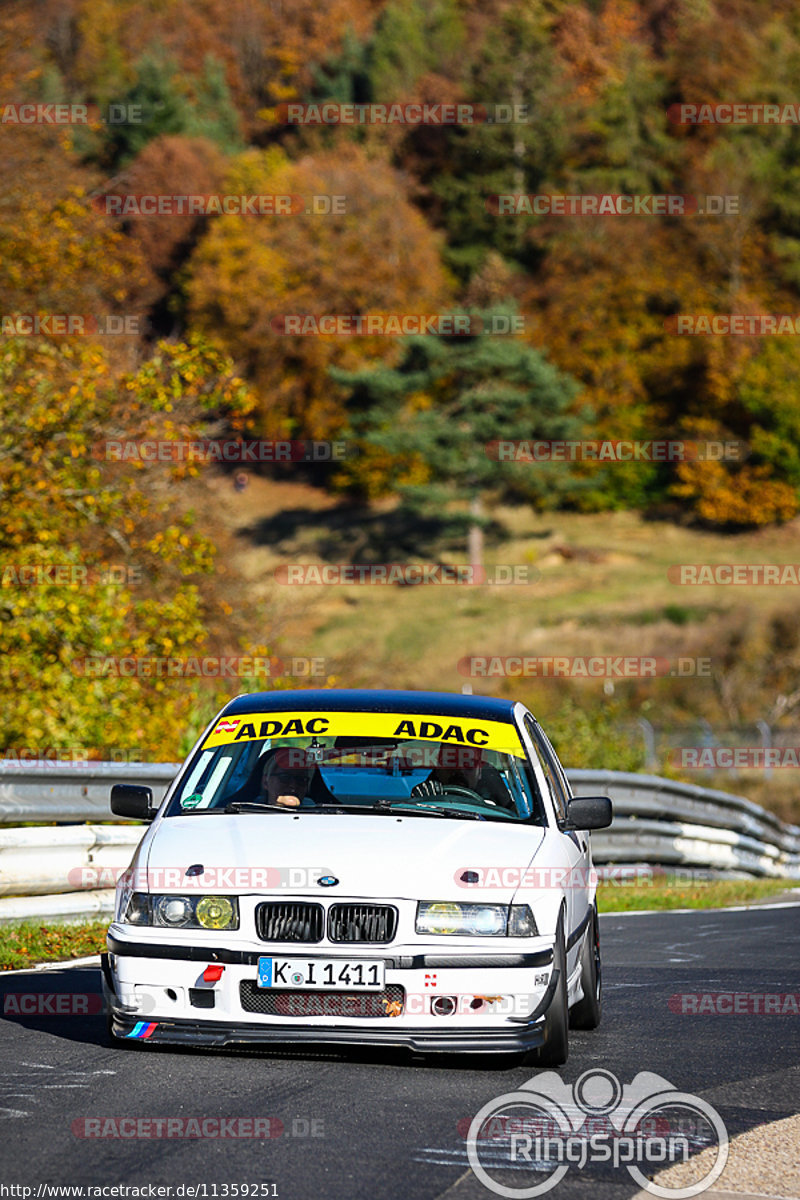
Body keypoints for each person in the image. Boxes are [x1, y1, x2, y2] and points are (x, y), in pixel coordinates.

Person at [410, 745, 514, 809]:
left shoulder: (497, 808)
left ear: (479, 773)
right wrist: (418, 802)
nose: (459, 771)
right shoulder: (421, 801)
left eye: (469, 765)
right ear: (438, 767)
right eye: (452, 763)